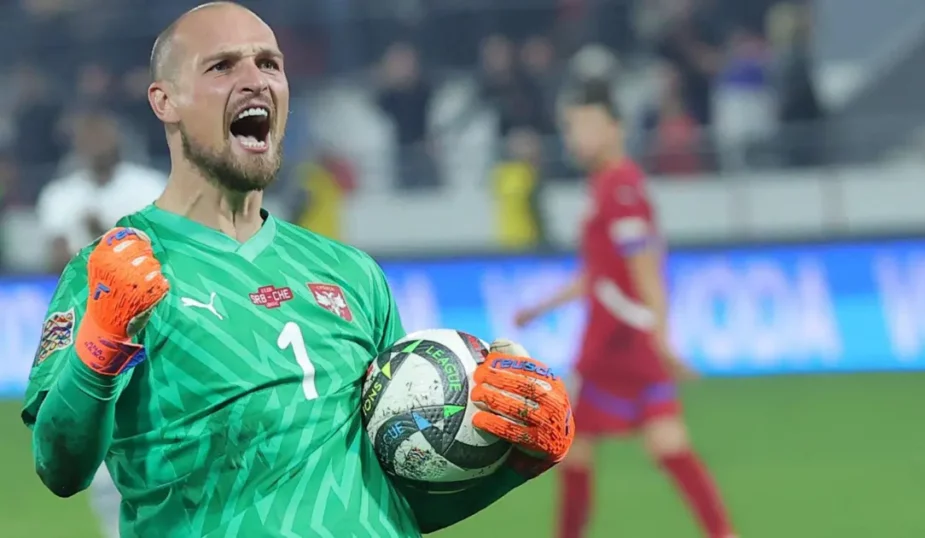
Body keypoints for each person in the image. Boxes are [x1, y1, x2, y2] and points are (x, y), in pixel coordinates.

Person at [21, 3, 574, 537]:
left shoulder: (352, 274)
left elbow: (396, 492)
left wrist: (516, 461)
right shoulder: (116, 269)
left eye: (269, 63)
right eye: (222, 66)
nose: (255, 80)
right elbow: (59, 467)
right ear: (166, 101)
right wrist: (100, 343)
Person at [514, 81, 735, 538]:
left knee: (572, 445)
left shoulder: (621, 188)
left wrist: (661, 336)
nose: (576, 137)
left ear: (615, 129)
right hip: (624, 337)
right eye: (571, 128)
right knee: (665, 443)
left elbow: (645, 267)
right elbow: (601, 273)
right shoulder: (609, 186)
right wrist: (542, 307)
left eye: (586, 126)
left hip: (618, 341)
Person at [36, 108, 165, 272]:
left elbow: (161, 249)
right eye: (88, 137)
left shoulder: (149, 186)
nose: (96, 144)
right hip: (80, 289)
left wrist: (102, 234)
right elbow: (56, 260)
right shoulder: (59, 194)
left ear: (118, 140)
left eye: (101, 136)